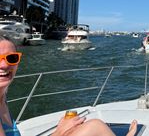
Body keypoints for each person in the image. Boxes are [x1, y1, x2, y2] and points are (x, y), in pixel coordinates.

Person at [0, 37, 137, 136]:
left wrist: (62, 131)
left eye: (11, 58)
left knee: (84, 128)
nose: (5, 65)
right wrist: (59, 133)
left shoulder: (3, 96)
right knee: (95, 126)